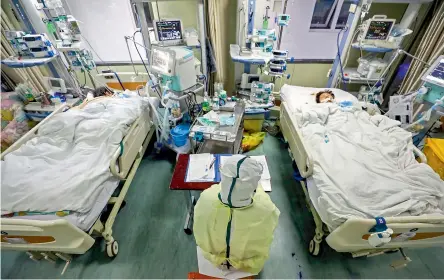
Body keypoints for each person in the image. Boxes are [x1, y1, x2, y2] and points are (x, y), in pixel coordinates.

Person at [193, 155, 280, 275]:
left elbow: (199, 234)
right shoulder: (266, 208)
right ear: (254, 183)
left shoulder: (206, 198)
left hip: (214, 264)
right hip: (246, 267)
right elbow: (266, 238)